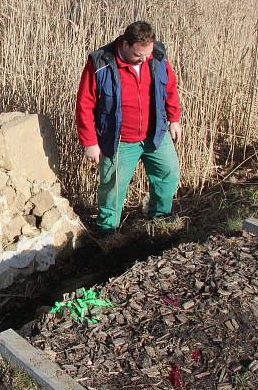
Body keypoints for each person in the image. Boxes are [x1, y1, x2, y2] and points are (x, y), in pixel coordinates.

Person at [75, 21, 182, 236]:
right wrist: (90, 142)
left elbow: (169, 87)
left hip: (155, 134)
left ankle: (159, 220)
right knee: (112, 188)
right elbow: (84, 104)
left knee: (169, 173)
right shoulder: (101, 63)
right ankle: (108, 232)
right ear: (125, 44)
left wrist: (174, 118)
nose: (144, 59)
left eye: (147, 54)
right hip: (120, 140)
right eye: (138, 55)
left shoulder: (157, 57)